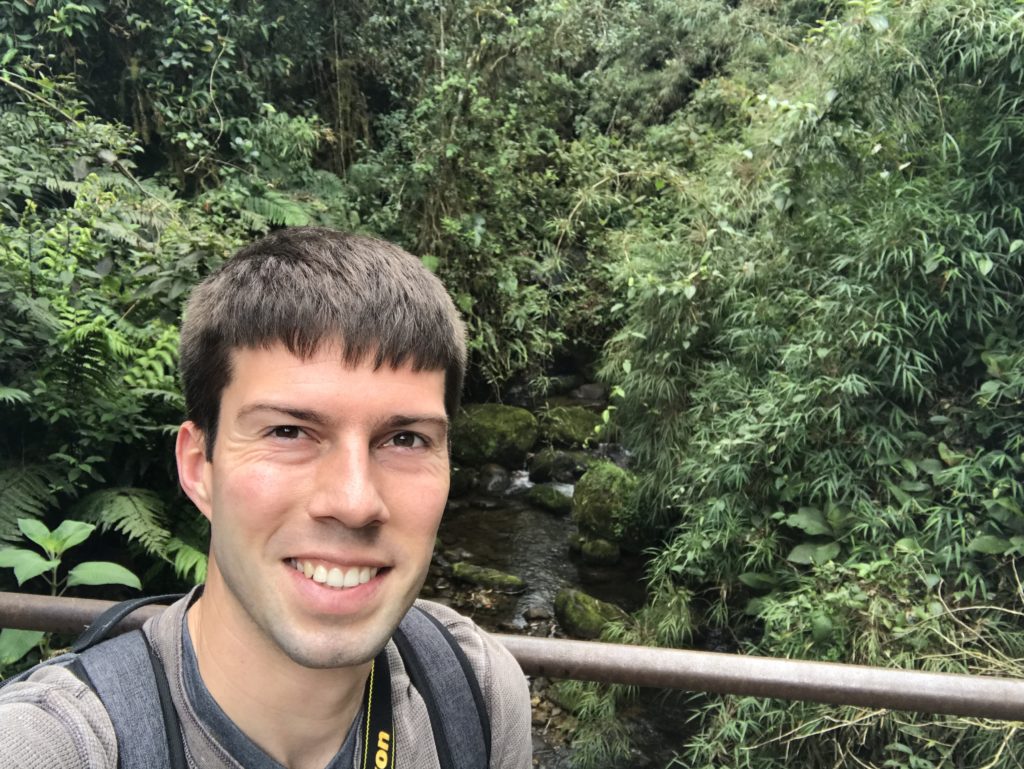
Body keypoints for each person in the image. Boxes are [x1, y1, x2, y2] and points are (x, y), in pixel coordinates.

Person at [0, 228, 533, 768]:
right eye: (288, 432)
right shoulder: (59, 743)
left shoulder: (476, 693)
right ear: (197, 467)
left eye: (405, 439)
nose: (354, 501)